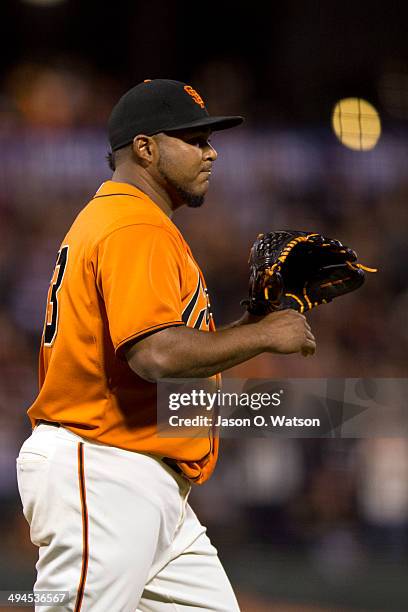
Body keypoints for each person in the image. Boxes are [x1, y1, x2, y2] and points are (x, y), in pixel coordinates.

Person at [16, 79, 316, 611]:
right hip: (104, 467)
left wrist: (249, 321)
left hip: (147, 484)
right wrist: (264, 335)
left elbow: (164, 349)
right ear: (145, 148)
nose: (211, 152)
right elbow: (154, 355)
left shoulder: (132, 221)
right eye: (195, 139)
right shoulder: (133, 223)